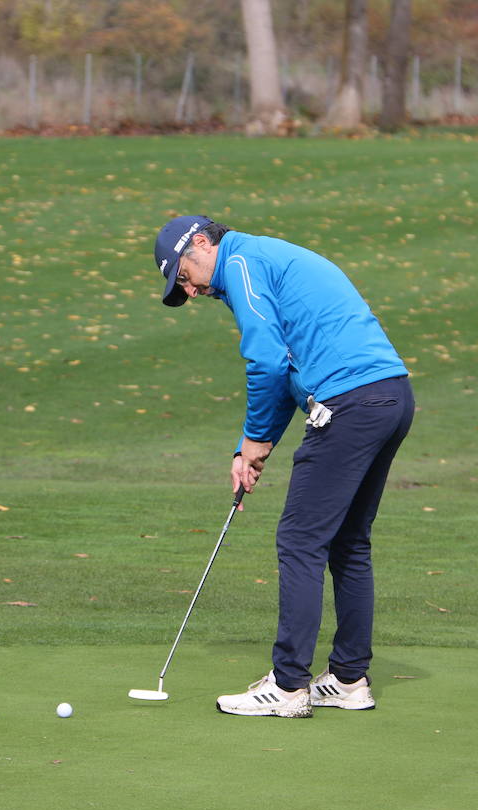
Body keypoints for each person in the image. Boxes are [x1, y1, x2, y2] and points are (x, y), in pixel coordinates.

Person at [152, 215, 414, 718]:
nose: (191, 291)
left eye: (184, 276)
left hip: (350, 403)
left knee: (300, 539)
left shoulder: (243, 264)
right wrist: (253, 445)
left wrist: (254, 439)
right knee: (348, 541)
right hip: (390, 396)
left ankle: (290, 686)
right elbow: (288, 368)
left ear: (202, 243)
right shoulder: (263, 259)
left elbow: (267, 362)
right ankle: (347, 678)